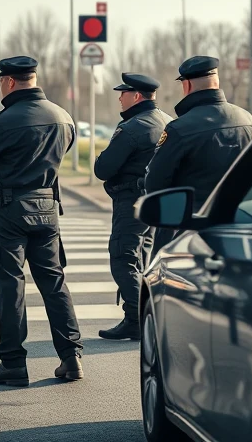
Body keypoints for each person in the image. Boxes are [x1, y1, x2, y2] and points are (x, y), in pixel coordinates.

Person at [0, 56, 84, 387]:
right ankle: (71, 358)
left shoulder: (4, 121)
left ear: (10, 81)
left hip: (9, 212)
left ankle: (14, 364)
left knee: (11, 286)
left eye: (1, 80)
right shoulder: (63, 116)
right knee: (54, 283)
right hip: (47, 208)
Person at [144, 56, 252, 246]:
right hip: (240, 227)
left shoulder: (179, 129)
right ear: (217, 81)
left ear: (187, 85)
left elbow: (155, 185)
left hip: (189, 234)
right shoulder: (247, 119)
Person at [93, 73, 172, 341]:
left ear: (136, 96)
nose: (119, 97)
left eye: (123, 93)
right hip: (156, 202)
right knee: (144, 260)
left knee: (123, 258)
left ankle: (136, 319)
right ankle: (143, 317)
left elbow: (103, 168)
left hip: (131, 203)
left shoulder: (133, 128)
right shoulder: (167, 121)